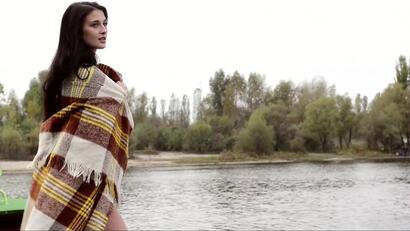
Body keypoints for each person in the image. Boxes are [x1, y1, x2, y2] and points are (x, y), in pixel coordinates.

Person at [20, 2, 134, 230]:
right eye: (95, 24)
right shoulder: (88, 77)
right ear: (77, 31)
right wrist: (121, 88)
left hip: (78, 177)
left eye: (105, 23)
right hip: (75, 176)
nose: (103, 29)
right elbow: (117, 99)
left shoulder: (63, 75)